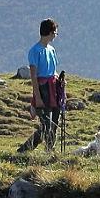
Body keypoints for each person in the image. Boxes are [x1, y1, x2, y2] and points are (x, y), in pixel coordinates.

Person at [18, 19, 62, 152]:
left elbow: (54, 71)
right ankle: (25, 149)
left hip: (54, 87)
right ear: (50, 32)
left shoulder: (51, 49)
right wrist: (37, 96)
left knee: (54, 121)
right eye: (55, 32)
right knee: (46, 124)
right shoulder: (35, 51)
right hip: (43, 88)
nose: (56, 35)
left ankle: (49, 149)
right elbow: (33, 75)